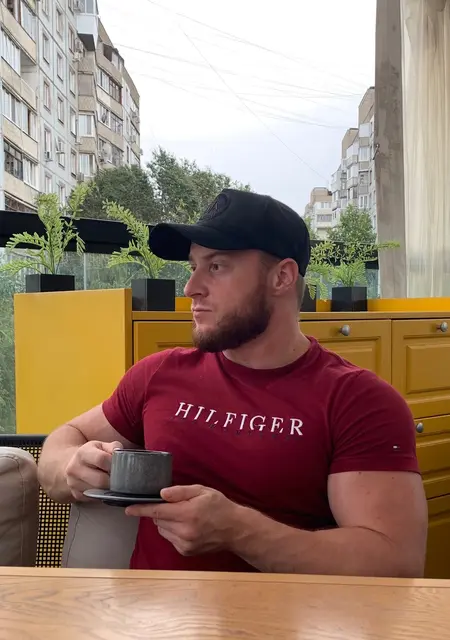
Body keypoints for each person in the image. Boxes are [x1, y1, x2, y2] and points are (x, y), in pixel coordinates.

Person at [38, 189, 428, 577]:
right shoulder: (159, 373)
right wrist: (73, 467)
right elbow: (64, 440)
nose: (191, 288)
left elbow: (395, 562)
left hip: (283, 614)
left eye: (217, 266)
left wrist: (240, 531)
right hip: (149, 611)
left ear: (282, 277)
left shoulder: (358, 401)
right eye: (193, 266)